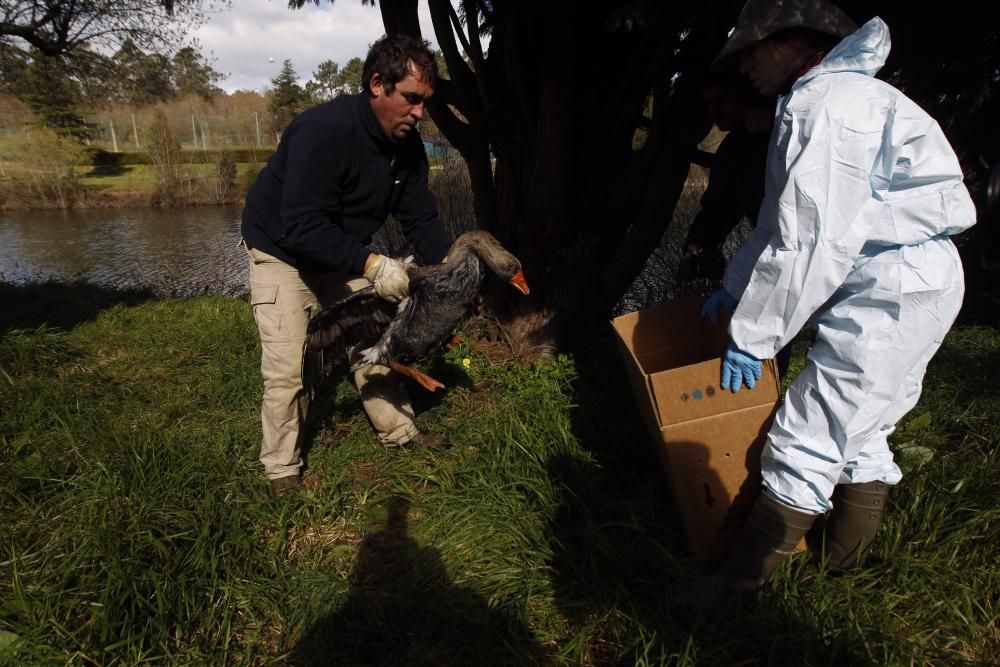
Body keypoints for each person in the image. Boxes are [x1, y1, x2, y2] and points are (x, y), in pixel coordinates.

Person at [700, 0, 976, 591]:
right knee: (861, 429)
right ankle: (842, 574)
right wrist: (735, 285)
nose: (745, 64)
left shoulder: (832, 107)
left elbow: (809, 243)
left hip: (892, 285)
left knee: (810, 430)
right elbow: (780, 223)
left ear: (798, 43)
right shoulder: (823, 101)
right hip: (903, 279)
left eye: (754, 48)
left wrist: (754, 336)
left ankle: (734, 592)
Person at [241, 34, 453, 496]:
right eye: (412, 100)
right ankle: (281, 470)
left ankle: (399, 433)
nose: (420, 114)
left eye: (425, 103)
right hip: (281, 249)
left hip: (339, 248)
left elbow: (423, 222)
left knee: (378, 342)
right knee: (289, 369)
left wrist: (451, 278)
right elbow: (301, 226)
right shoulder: (324, 132)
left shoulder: (407, 148)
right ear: (378, 84)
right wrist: (374, 264)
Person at [682, 71, 771, 277]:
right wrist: (698, 242)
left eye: (723, 100)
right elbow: (720, 204)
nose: (716, 111)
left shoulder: (787, 127)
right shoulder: (734, 148)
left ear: (744, 95)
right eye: (709, 103)